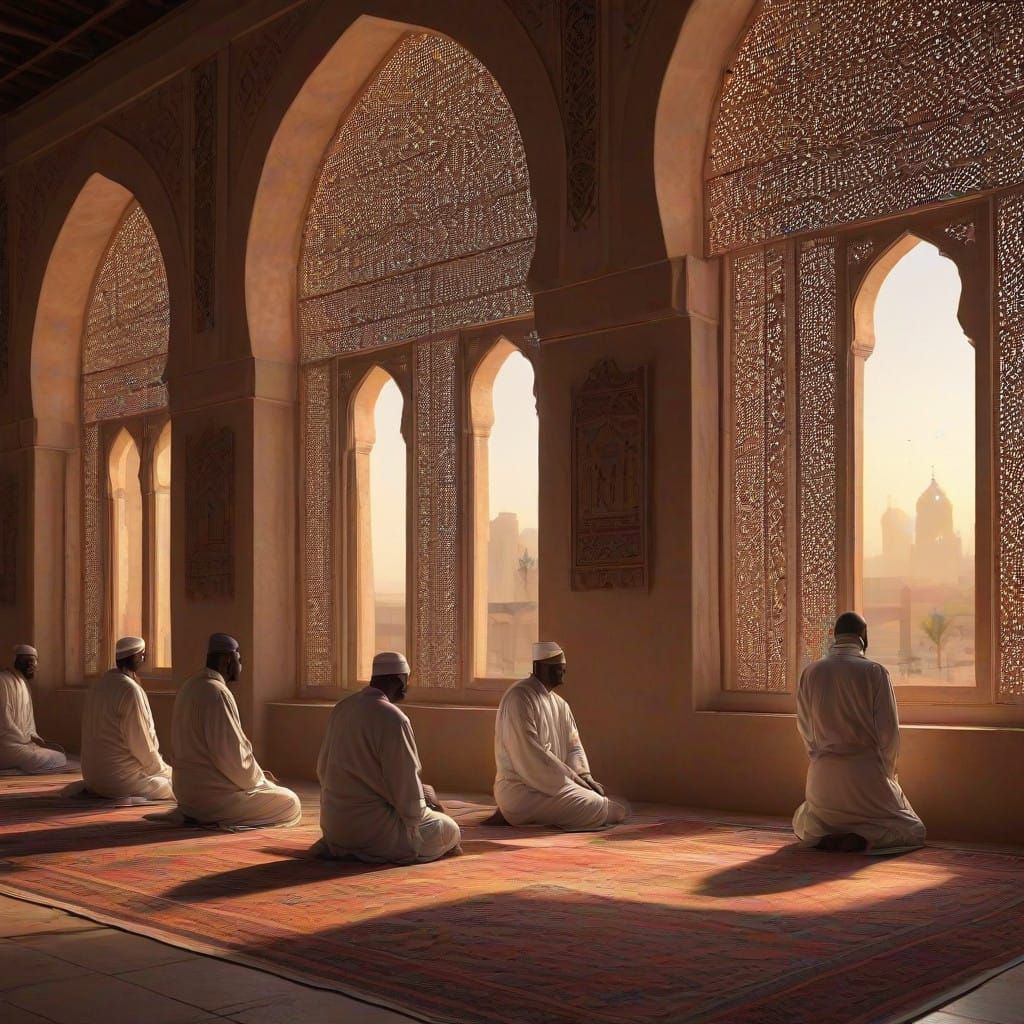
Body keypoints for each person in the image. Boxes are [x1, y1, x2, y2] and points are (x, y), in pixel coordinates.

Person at [793, 611, 926, 854]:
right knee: (913, 830)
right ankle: (863, 837)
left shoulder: (811, 672)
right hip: (866, 772)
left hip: (823, 776)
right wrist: (887, 771)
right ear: (863, 637)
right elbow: (888, 733)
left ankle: (828, 835)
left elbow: (805, 728)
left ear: (834, 637)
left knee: (808, 823)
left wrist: (819, 759)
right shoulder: (874, 672)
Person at [315, 652, 461, 864]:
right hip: (375, 833)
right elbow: (404, 781)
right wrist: (425, 806)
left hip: (335, 829)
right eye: (405, 681)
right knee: (449, 828)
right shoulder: (393, 717)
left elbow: (322, 769)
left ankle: (345, 845)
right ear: (398, 681)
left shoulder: (342, 708)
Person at [485, 641, 628, 831]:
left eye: (562, 669)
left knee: (612, 804)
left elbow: (573, 746)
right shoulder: (519, 698)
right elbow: (531, 756)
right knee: (601, 807)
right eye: (556, 669)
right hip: (522, 790)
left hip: (555, 784)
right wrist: (574, 780)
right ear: (539, 668)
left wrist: (585, 776)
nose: (562, 674)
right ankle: (513, 812)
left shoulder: (561, 704)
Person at [167, 633, 300, 829]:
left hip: (186, 796)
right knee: (290, 802)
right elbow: (231, 757)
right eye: (239, 659)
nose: (241, 665)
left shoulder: (190, 686)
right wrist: (261, 781)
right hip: (212, 799)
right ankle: (216, 818)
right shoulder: (217, 693)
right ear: (228, 660)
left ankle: (198, 813)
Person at [79, 636, 172, 802]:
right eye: (143, 655)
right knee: (178, 785)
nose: (144, 658)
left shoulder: (99, 684)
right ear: (137, 658)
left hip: (92, 778)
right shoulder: (129, 690)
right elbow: (142, 744)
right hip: (119, 780)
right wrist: (163, 770)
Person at [0, 644, 67, 774]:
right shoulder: (2, 681)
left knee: (59, 756)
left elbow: (28, 721)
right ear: (16, 661)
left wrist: (34, 736)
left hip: (23, 744)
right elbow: (3, 720)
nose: (30, 665)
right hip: (6, 745)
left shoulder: (24, 685)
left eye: (33, 661)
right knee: (47, 759)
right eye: (26, 661)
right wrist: (24, 739)